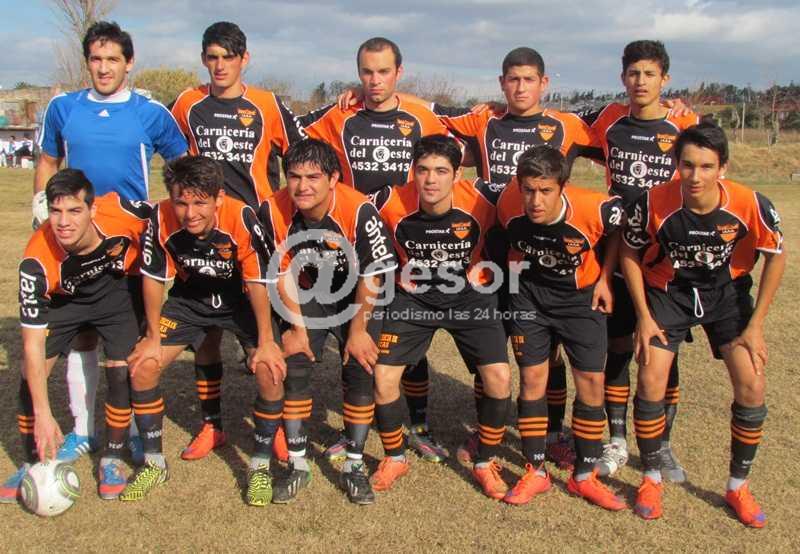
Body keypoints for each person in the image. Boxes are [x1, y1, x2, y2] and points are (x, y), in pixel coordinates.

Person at [33, 21, 189, 464]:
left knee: (129, 342)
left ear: (129, 63)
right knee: (82, 339)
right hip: (74, 245)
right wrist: (42, 208)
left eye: (112, 60)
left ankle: (133, 431)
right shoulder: (63, 108)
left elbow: (181, 166)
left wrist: (160, 215)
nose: (103, 68)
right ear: (87, 62)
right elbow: (47, 161)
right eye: (96, 59)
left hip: (129, 248)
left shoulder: (150, 112)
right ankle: (83, 430)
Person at [621, 122, 785, 527]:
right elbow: (629, 252)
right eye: (688, 165)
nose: (696, 176)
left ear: (722, 168)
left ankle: (738, 486)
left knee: (752, 383)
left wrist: (756, 325)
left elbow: (775, 255)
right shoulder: (652, 201)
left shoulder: (750, 203)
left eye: (707, 166)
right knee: (650, 377)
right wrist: (643, 316)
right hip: (669, 293)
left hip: (726, 296)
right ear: (676, 165)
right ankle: (651, 478)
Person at [299, 37, 451, 463]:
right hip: (354, 245)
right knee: (358, 337)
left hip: (409, 242)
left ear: (399, 72)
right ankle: (353, 430)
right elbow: (289, 127)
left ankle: (418, 426)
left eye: (383, 71)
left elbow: (460, 138)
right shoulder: (341, 115)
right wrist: (340, 98)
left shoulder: (421, 116)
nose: (374, 80)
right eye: (366, 72)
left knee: (409, 340)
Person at [169, 21, 305, 463]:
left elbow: (301, 153)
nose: (220, 65)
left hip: (255, 234)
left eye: (228, 57)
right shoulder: (187, 103)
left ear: (244, 59)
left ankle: (276, 426)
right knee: (206, 335)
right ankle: (212, 426)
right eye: (212, 57)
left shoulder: (267, 104)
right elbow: (165, 148)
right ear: (203, 60)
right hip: (203, 235)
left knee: (267, 337)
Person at [121, 155, 285, 502]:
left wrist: (267, 341)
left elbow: (258, 281)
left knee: (270, 369)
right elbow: (153, 278)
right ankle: (155, 463)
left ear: (218, 199)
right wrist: (151, 337)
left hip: (240, 299)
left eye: (200, 203)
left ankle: (259, 466)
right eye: (181, 202)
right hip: (190, 299)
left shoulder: (241, 216)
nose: (189, 213)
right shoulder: (161, 217)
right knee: (143, 367)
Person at [580, 40, 701, 480]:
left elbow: (708, 163)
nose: (641, 81)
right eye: (633, 73)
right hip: (615, 249)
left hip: (665, 252)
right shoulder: (608, 119)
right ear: (623, 77)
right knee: (616, 346)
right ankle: (616, 439)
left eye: (650, 74)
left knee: (662, 351)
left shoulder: (685, 122)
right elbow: (556, 124)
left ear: (664, 79)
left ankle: (662, 444)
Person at [367, 135, 512, 500]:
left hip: (469, 296)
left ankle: (485, 461)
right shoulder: (388, 200)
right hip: (414, 299)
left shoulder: (483, 197)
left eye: (441, 171)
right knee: (383, 377)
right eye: (423, 170)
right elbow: (350, 216)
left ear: (458, 174)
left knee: (499, 377)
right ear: (412, 171)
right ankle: (394, 457)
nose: (431, 179)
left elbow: (533, 197)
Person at [257, 139, 397, 505]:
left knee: (360, 367)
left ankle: (354, 465)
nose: (302, 186)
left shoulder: (359, 209)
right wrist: (296, 328)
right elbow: (280, 274)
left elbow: (372, 274)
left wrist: (359, 331)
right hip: (308, 291)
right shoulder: (272, 208)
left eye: (313, 177)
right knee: (295, 363)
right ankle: (297, 464)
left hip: (357, 293)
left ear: (333, 178)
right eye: (294, 176)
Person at [0, 169, 151, 502]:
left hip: (115, 292)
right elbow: (32, 345)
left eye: (74, 210)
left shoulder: (123, 213)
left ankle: (112, 457)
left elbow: (164, 217)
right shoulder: (36, 261)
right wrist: (43, 413)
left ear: (92, 209)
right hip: (64, 300)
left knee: (121, 368)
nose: (63, 222)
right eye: (55, 211)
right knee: (29, 373)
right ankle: (34, 463)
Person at [497, 146, 625, 509]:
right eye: (528, 190)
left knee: (591, 382)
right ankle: (535, 471)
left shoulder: (596, 209)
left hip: (580, 301)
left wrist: (606, 278)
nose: (535, 200)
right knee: (532, 378)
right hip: (530, 298)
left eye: (545, 190)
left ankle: (584, 476)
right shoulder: (507, 206)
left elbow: (618, 232)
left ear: (562, 187)